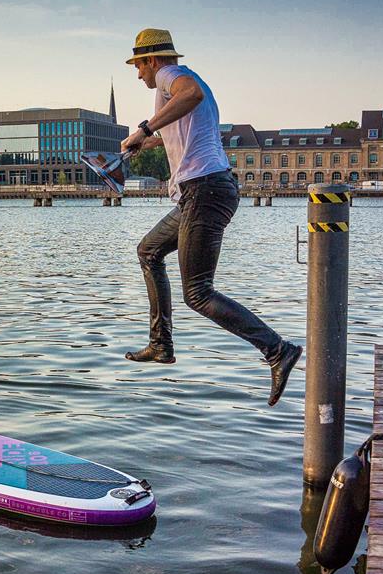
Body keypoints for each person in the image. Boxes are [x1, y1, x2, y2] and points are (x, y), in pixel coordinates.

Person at [121, 28, 302, 407]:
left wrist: (144, 127)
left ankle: (277, 350)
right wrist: (147, 141)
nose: (138, 74)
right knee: (148, 251)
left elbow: (193, 94)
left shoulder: (172, 76)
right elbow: (183, 125)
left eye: (138, 65)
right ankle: (161, 344)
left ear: (152, 60)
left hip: (205, 190)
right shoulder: (167, 91)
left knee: (199, 293)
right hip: (198, 193)